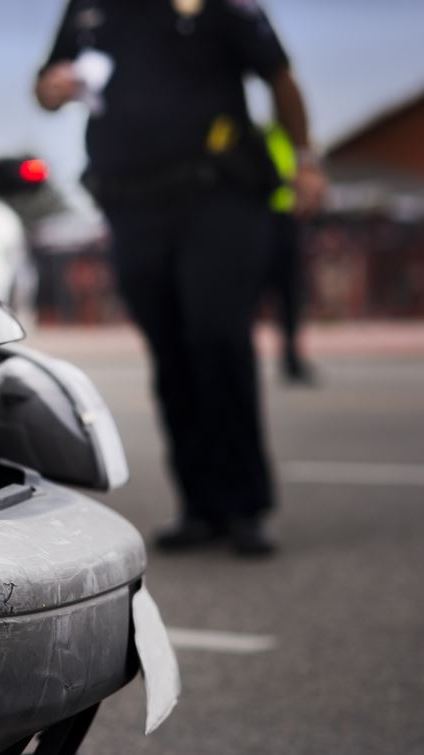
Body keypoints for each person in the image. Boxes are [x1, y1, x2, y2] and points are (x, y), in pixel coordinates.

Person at [35, 0, 327, 555]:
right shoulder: (91, 8)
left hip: (217, 199)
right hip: (131, 207)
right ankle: (200, 505)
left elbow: (279, 76)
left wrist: (306, 160)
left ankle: (245, 506)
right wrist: (53, 88)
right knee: (170, 352)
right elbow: (48, 88)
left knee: (217, 337)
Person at [264, 122, 318, 384]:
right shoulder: (265, 137)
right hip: (259, 221)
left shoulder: (294, 141)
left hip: (287, 221)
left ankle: (291, 360)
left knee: (291, 298)